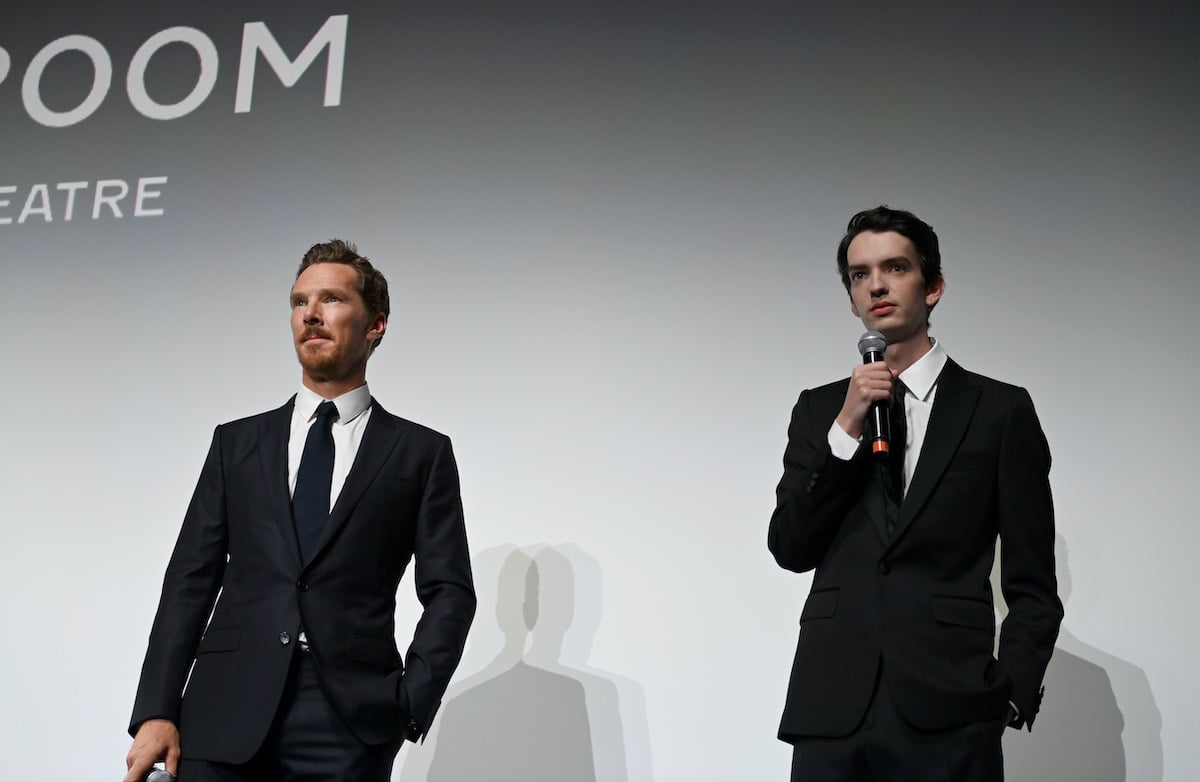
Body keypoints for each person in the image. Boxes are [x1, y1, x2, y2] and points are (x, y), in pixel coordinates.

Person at [124, 240, 476, 781]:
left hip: (348, 720)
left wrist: (407, 702)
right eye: (298, 301)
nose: (310, 314)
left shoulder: (419, 453)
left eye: (331, 299)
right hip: (223, 709)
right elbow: (190, 581)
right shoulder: (235, 444)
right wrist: (156, 708)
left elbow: (450, 590)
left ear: (375, 325)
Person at [768, 206, 1063, 781]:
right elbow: (790, 547)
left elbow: (1033, 584)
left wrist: (1008, 695)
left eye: (895, 267)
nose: (876, 284)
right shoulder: (819, 410)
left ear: (933, 287)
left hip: (952, 710)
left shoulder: (999, 412)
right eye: (859, 275)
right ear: (851, 299)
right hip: (832, 709)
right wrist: (846, 428)